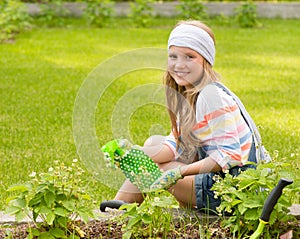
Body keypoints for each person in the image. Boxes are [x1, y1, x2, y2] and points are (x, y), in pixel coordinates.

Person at [100, 20, 270, 212]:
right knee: (152, 144)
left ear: (206, 60)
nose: (179, 65)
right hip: (220, 181)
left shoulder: (211, 97)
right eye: (173, 56)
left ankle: (116, 216)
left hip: (234, 193)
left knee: (155, 170)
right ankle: (119, 210)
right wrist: (132, 152)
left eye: (190, 57)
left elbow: (229, 156)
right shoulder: (189, 94)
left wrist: (178, 172)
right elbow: (173, 146)